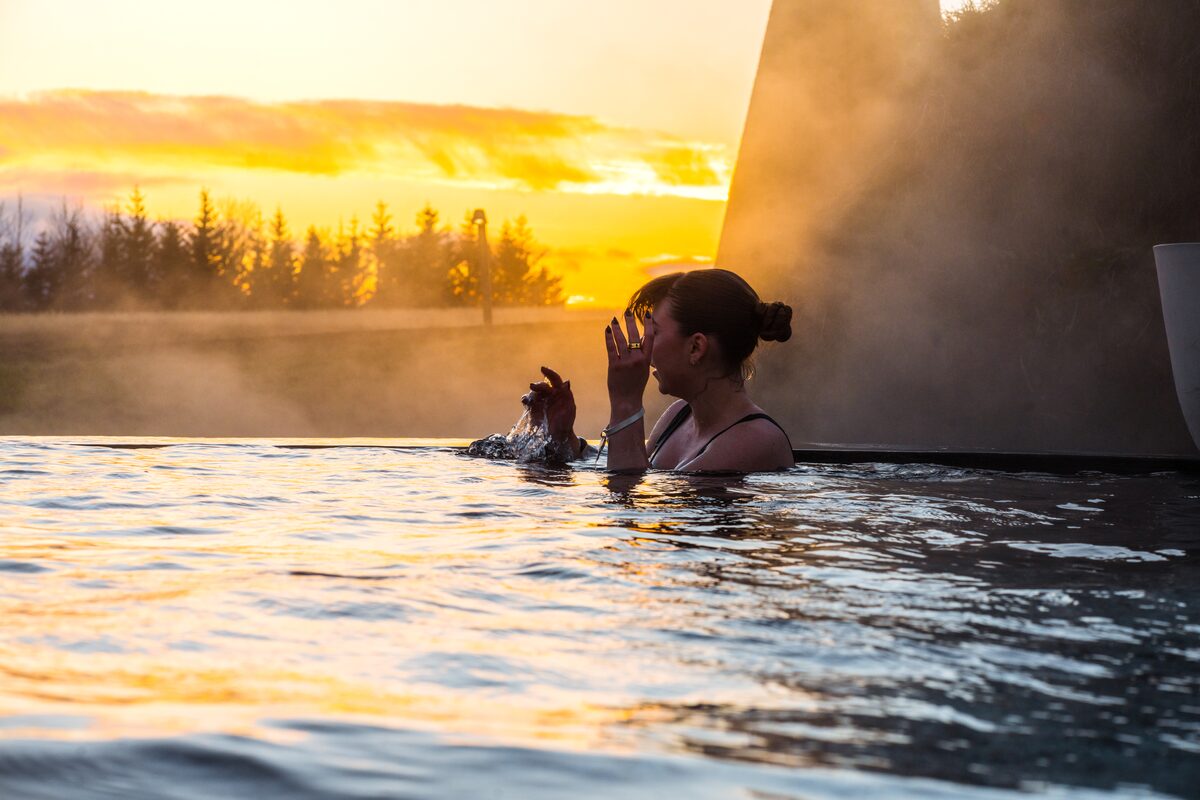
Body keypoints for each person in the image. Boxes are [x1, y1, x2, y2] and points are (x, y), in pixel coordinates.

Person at [531, 268, 794, 472]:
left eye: (654, 332)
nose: (646, 346)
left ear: (696, 348)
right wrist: (564, 438)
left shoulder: (753, 441)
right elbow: (631, 467)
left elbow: (630, 503)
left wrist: (626, 402)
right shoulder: (678, 415)